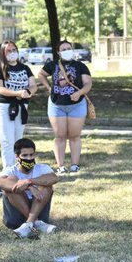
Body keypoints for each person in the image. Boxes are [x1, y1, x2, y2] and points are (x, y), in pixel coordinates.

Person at [35, 39, 92, 173]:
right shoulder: (52, 64)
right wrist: (48, 87)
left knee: (74, 135)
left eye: (69, 48)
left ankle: (75, 165)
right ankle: (60, 166)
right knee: (60, 136)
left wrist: (79, 93)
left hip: (77, 105)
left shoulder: (80, 66)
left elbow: (88, 84)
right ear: (58, 52)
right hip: (56, 104)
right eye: (64, 49)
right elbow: (41, 74)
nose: (67, 51)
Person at [0, 137, 59, 238]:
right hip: (15, 217)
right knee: (11, 185)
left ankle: (29, 223)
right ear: (17, 156)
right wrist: (28, 187)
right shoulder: (10, 170)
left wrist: (29, 181)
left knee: (47, 186)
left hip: (38, 205)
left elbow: (54, 178)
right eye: (25, 155)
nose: (29, 158)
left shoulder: (43, 168)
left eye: (31, 155)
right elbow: (0, 183)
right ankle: (36, 222)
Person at [0, 40, 35, 168]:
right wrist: (18, 93)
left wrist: (28, 92)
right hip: (3, 107)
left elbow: (33, 85)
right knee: (7, 141)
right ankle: (8, 171)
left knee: (18, 141)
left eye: (14, 50)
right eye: (9, 50)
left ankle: (19, 168)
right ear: (2, 53)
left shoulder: (25, 68)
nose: (12, 52)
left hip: (21, 106)